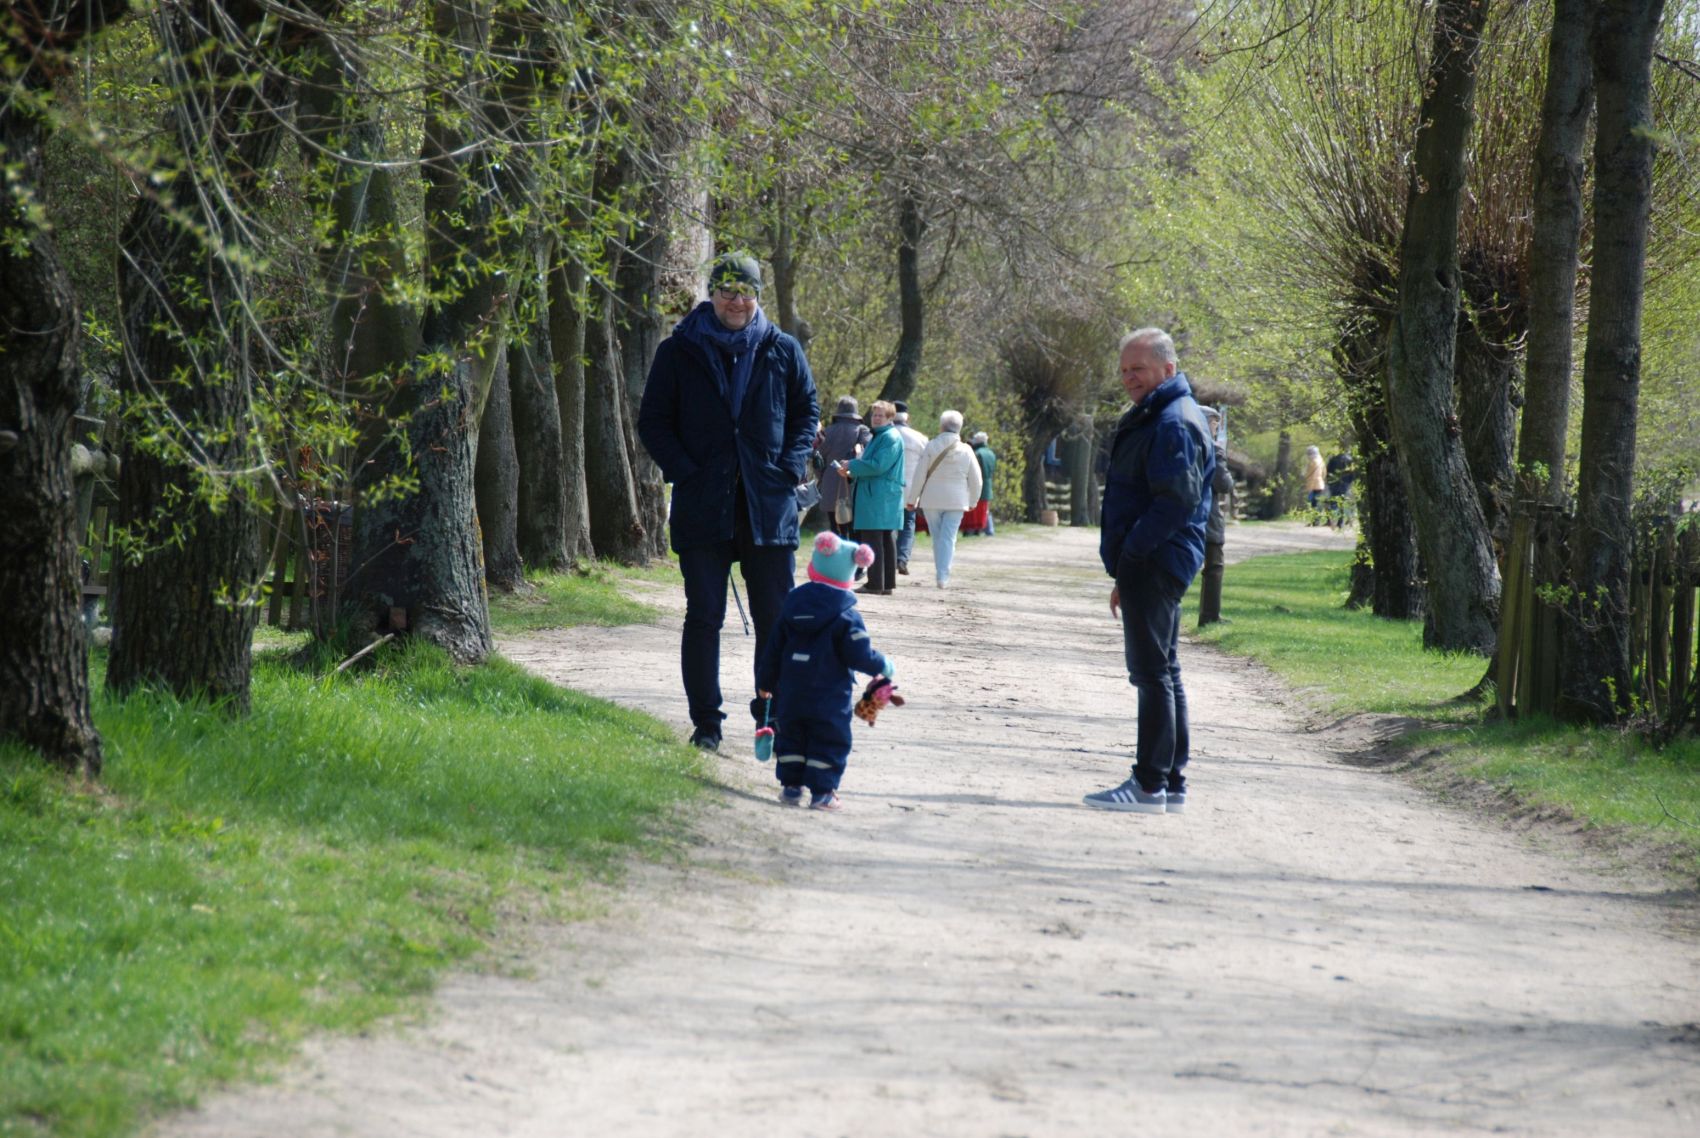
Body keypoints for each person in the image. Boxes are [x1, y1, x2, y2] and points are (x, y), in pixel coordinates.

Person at [637, 251, 820, 752]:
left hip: (768, 504)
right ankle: (707, 724)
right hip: (703, 504)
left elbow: (808, 411)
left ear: (757, 295)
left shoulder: (782, 349)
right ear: (712, 294)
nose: (737, 302)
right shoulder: (679, 351)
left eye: (746, 293)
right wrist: (684, 472)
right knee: (704, 617)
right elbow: (653, 420)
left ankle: (771, 711)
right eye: (727, 292)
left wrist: (787, 466)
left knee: (775, 619)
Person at [1085, 327, 1215, 815]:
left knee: (1151, 674)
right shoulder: (1160, 414)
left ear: (1168, 369)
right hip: (1155, 558)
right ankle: (1171, 782)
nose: (1129, 379)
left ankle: (1148, 785)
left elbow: (1175, 502)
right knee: (1164, 670)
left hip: (1157, 558)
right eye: (1123, 371)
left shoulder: (1172, 422)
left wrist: (1132, 556)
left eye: (1137, 369)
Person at [756, 531, 894, 811]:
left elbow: (773, 648)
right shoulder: (847, 615)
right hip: (829, 695)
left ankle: (791, 787)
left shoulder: (791, 606)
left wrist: (765, 681)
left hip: (791, 690)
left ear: (815, 566)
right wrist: (882, 665)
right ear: (850, 576)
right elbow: (859, 654)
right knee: (829, 739)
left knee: (792, 734)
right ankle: (822, 792)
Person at [910, 410, 982, 588]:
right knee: (949, 538)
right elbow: (977, 480)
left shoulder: (931, 446)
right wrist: (973, 500)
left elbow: (919, 475)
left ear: (941, 426)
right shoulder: (967, 450)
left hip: (932, 499)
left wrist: (913, 499)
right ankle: (943, 576)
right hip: (957, 501)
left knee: (937, 537)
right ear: (959, 428)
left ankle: (940, 572)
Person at [840, 399, 905, 596]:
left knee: (875, 539)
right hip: (877, 494)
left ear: (890, 417)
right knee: (883, 538)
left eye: (880, 415)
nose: (875, 418)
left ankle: (876, 583)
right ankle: (885, 584)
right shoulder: (881, 436)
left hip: (879, 496)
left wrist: (851, 465)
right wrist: (851, 471)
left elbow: (877, 465)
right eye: (874, 414)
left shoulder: (890, 437)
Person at [1197, 407, 1234, 628]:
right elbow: (1224, 484)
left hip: (1181, 516)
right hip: (1208, 517)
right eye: (1214, 423)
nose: (1216, 428)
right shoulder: (1213, 449)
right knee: (1214, 567)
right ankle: (1209, 616)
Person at [815, 396, 870, 537]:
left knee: (835, 528)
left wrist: (821, 478)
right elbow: (868, 455)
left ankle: (838, 557)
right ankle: (853, 557)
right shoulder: (862, 431)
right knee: (855, 530)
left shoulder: (828, 432)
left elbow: (818, 460)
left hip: (830, 483)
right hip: (854, 483)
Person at [891, 401, 929, 575]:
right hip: (911, 489)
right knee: (908, 523)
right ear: (908, 417)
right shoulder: (920, 438)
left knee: (890, 524)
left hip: (889, 487)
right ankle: (902, 558)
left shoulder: (885, 434)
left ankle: (890, 558)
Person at [964, 431, 997, 535]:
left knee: (973, 511)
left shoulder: (977, 453)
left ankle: (971, 531)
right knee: (985, 510)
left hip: (977, 485)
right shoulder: (991, 453)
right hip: (988, 485)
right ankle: (989, 531)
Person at [1325, 449, 1356, 528]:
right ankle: (1342, 521)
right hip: (1345, 483)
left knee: (1334, 502)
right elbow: (1352, 473)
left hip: (1334, 483)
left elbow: (1328, 471)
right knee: (1344, 502)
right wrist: (1351, 481)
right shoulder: (1349, 459)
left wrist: (1328, 482)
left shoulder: (1333, 459)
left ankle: (1334, 521)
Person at [1301, 444, 1327, 521]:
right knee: (1317, 503)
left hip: (1313, 485)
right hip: (1320, 484)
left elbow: (1308, 475)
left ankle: (1315, 520)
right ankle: (1317, 520)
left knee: (1313, 503)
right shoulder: (1321, 461)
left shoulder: (1312, 462)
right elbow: (1324, 473)